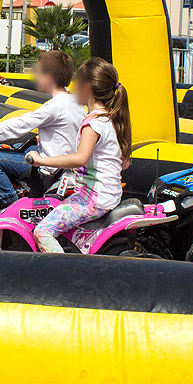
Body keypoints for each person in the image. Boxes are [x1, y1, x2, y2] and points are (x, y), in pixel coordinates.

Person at [25, 57, 130, 253]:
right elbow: (123, 164)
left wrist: (40, 160)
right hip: (108, 195)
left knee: (43, 231)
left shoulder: (92, 123)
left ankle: (64, 275)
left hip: (93, 198)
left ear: (87, 89)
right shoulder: (110, 118)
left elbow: (80, 158)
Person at [0, 50, 80, 208]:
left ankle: (11, 203)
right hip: (66, 165)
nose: (35, 77)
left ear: (48, 77)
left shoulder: (54, 106)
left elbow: (18, 125)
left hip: (50, 168)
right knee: (20, 147)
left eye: (38, 73)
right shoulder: (74, 101)